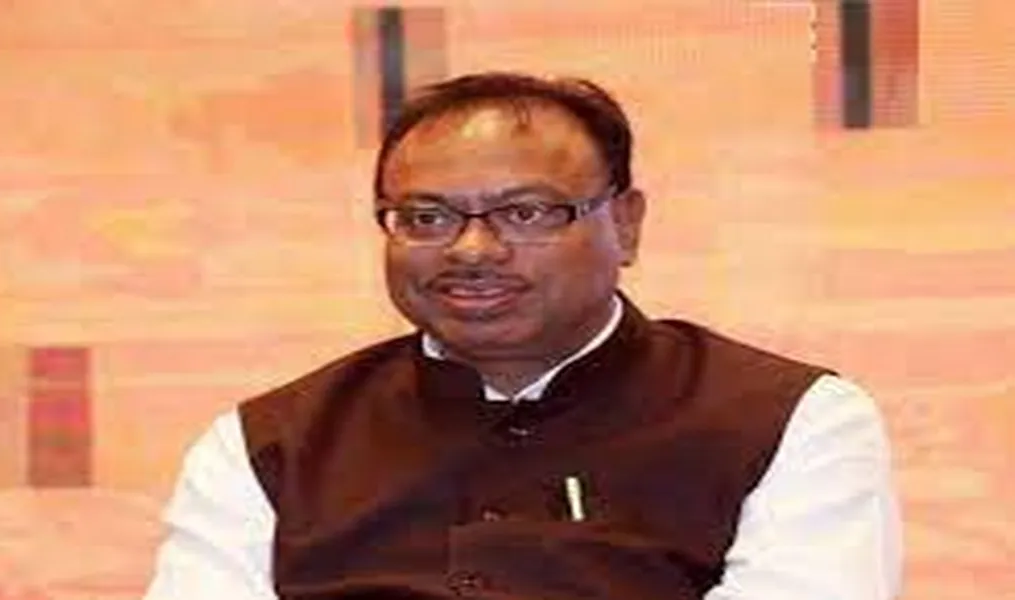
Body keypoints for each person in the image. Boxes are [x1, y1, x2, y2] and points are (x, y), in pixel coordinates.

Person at [143, 72, 901, 599]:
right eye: (426, 217)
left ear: (626, 223)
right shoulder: (268, 444)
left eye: (526, 212)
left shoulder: (790, 420)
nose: (472, 250)